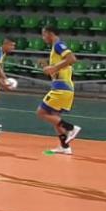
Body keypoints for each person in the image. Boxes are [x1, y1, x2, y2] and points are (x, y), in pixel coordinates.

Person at [37, 25, 81, 155]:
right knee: (55, 117)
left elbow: (72, 59)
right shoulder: (54, 49)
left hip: (61, 87)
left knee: (41, 112)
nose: (43, 37)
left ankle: (71, 128)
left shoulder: (58, 45)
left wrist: (54, 68)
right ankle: (65, 146)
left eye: (44, 34)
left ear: (50, 33)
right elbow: (55, 71)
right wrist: (47, 66)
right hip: (63, 87)